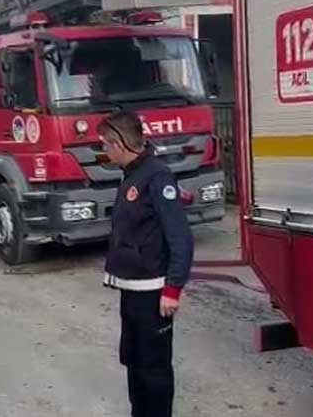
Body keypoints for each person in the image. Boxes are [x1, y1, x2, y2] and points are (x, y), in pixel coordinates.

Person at [97, 110, 194, 417]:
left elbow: (180, 238)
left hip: (153, 294)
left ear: (119, 144)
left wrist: (173, 289)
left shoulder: (156, 176)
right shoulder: (131, 174)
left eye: (104, 145)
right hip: (130, 289)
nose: (103, 151)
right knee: (134, 361)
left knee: (154, 369)